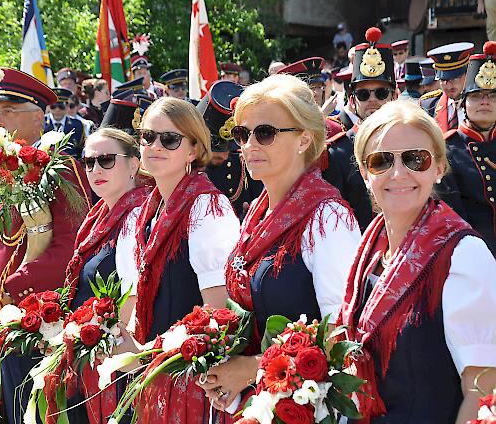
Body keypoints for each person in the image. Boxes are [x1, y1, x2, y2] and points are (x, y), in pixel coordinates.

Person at [197, 73, 361, 414]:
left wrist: (250, 368)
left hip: (309, 408)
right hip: (258, 404)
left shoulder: (328, 219)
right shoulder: (258, 210)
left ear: (304, 139)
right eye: (242, 134)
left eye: (265, 133)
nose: (249, 145)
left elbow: (343, 337)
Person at [339, 99, 496, 423]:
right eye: (381, 161)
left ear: (438, 168)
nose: (398, 173)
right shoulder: (368, 250)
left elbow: (482, 395)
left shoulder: (463, 256)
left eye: (415, 159)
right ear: (366, 173)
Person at [0, 67, 91, 424]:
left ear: (38, 116)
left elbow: (68, 249)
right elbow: (1, 247)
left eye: (8, 110)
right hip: (4, 313)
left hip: (42, 318)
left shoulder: (60, 169)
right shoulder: (3, 170)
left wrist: (8, 287)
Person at [115, 97, 240, 424]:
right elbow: (138, 299)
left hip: (192, 383)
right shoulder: (146, 211)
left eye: (168, 139)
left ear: (193, 150)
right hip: (153, 374)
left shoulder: (207, 209)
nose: (154, 146)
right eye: (147, 137)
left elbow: (218, 317)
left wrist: (149, 354)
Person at [64, 128, 149, 424]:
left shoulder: (136, 215)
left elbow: (135, 295)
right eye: (89, 162)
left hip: (118, 361)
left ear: (134, 164)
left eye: (107, 160)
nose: (96, 169)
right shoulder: (98, 214)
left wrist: (108, 345)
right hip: (96, 356)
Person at [324, 27, 397, 231]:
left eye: (381, 93)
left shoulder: (415, 142)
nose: (372, 100)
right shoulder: (337, 152)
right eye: (364, 94)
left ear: (394, 95)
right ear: (353, 100)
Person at [439, 41, 496, 255]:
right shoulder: (447, 149)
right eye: (477, 96)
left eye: (492, 96)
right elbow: (453, 219)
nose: (485, 102)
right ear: (464, 103)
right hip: (473, 256)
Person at [199, 80, 263, 219]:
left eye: (229, 146)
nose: (224, 154)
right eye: (216, 147)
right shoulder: (185, 168)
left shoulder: (244, 165)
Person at [276, 57, 344, 138]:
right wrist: (322, 116)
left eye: (319, 87)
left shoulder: (334, 123)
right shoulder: (283, 122)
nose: (316, 93)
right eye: (310, 88)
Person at [420, 42, 474, 132]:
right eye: (443, 80)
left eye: (455, 78)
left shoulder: (479, 104)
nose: (448, 85)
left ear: (467, 74)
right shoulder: (429, 105)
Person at [44, 87, 86, 158]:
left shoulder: (77, 125)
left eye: (61, 106)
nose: (57, 110)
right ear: (48, 106)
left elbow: (80, 150)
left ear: (67, 106)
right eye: (53, 106)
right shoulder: (41, 123)